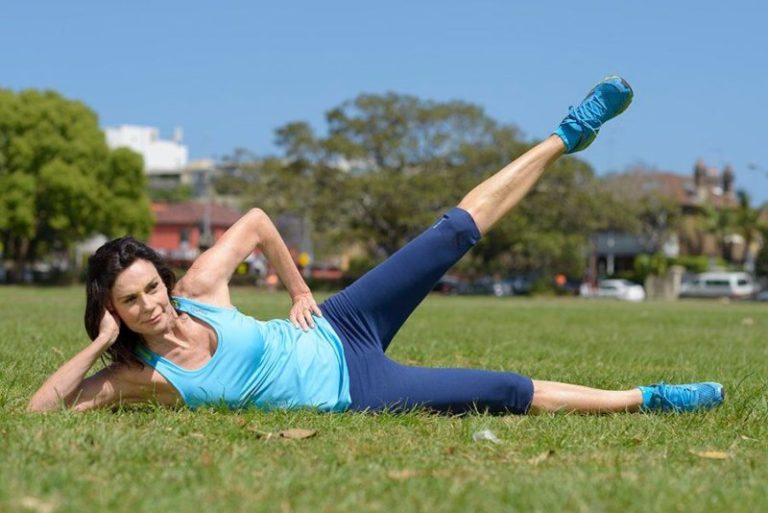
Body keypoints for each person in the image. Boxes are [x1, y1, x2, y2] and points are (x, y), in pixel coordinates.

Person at [28, 76, 725, 415]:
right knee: (503, 390)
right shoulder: (144, 380)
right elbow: (38, 414)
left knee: (451, 232)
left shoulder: (201, 289)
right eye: (132, 301)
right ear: (114, 309)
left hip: (341, 322)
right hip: (354, 387)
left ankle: (565, 135)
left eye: (152, 286)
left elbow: (258, 220)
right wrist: (99, 342)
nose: (153, 304)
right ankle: (648, 397)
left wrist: (300, 290)